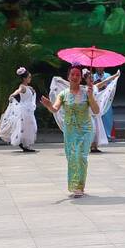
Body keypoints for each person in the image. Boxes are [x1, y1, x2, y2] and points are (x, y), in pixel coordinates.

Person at [40, 67, 100, 198]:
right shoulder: (63, 94)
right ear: (68, 77)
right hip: (70, 131)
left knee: (81, 156)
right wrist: (49, 105)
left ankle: (79, 186)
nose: (75, 77)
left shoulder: (86, 92)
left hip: (85, 129)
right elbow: (55, 109)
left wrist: (91, 97)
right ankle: (74, 184)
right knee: (71, 157)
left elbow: (96, 111)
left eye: (78, 75)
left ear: (80, 77)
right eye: (72, 74)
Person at [50, 68, 121, 153]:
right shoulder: (83, 89)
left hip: (94, 111)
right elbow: (71, 87)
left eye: (92, 77)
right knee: (90, 130)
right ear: (85, 79)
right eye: (89, 78)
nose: (91, 79)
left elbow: (105, 81)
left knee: (95, 130)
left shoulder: (94, 87)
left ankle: (93, 146)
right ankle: (86, 146)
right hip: (86, 114)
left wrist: (115, 76)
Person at [0, 67, 37, 152]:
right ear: (24, 78)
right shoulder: (22, 87)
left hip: (29, 110)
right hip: (24, 110)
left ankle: (26, 145)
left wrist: (32, 91)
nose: (30, 78)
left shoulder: (29, 87)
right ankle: (23, 144)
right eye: (29, 77)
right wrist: (12, 95)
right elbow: (18, 91)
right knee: (23, 127)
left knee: (30, 127)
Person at [93, 67, 114, 141]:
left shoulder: (108, 75)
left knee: (107, 116)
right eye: (98, 67)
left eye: (101, 67)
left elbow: (112, 86)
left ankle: (108, 134)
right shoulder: (93, 76)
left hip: (106, 97)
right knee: (97, 117)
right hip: (97, 98)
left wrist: (106, 87)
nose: (99, 68)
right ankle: (98, 136)